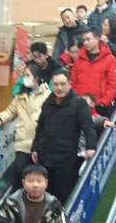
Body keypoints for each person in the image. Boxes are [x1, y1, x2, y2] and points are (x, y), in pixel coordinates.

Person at [32, 70, 97, 202]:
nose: (59, 88)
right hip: (46, 157)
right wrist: (35, 148)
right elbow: (40, 128)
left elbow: (88, 127)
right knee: (45, 195)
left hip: (67, 159)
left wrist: (91, 147)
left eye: (62, 84)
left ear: (69, 84)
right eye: (56, 84)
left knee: (63, 194)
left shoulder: (79, 103)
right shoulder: (47, 103)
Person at [0, 63, 52, 189]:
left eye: (27, 75)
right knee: (19, 169)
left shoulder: (48, 95)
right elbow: (11, 111)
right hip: (23, 141)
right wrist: (0, 118)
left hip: (40, 143)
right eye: (24, 75)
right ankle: (16, 196)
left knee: (37, 174)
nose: (24, 78)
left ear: (36, 78)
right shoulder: (20, 97)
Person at [70, 29, 116, 116]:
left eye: (88, 39)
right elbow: (73, 81)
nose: (85, 42)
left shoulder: (110, 59)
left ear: (97, 39)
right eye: (84, 40)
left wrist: (104, 102)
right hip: (80, 104)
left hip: (99, 106)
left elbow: (112, 83)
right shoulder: (78, 59)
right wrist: (74, 99)